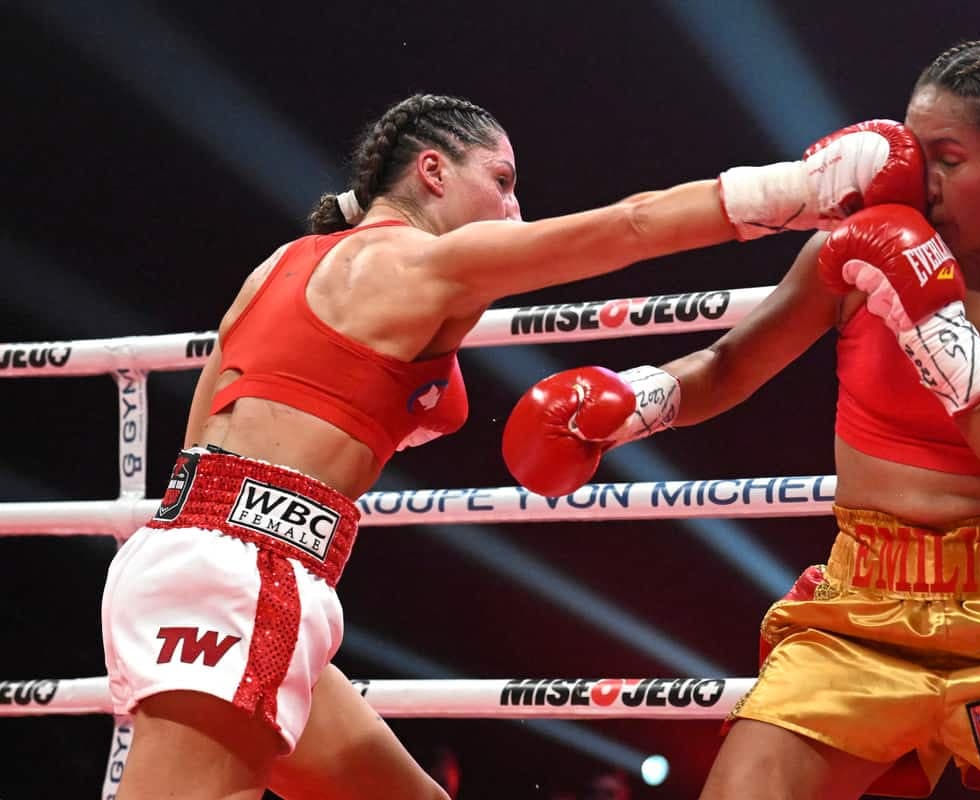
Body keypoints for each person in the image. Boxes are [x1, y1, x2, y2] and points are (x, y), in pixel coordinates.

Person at [98, 91, 925, 800]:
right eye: (501, 182)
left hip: (193, 559)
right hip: (245, 577)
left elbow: (211, 439)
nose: (514, 211)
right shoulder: (423, 266)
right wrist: (801, 189)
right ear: (432, 172)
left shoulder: (284, 264)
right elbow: (628, 227)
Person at [503, 41, 980, 799]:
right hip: (863, 614)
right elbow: (730, 364)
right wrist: (636, 402)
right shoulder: (852, 255)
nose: (916, 180)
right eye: (912, 152)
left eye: (948, 159)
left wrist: (931, 325)